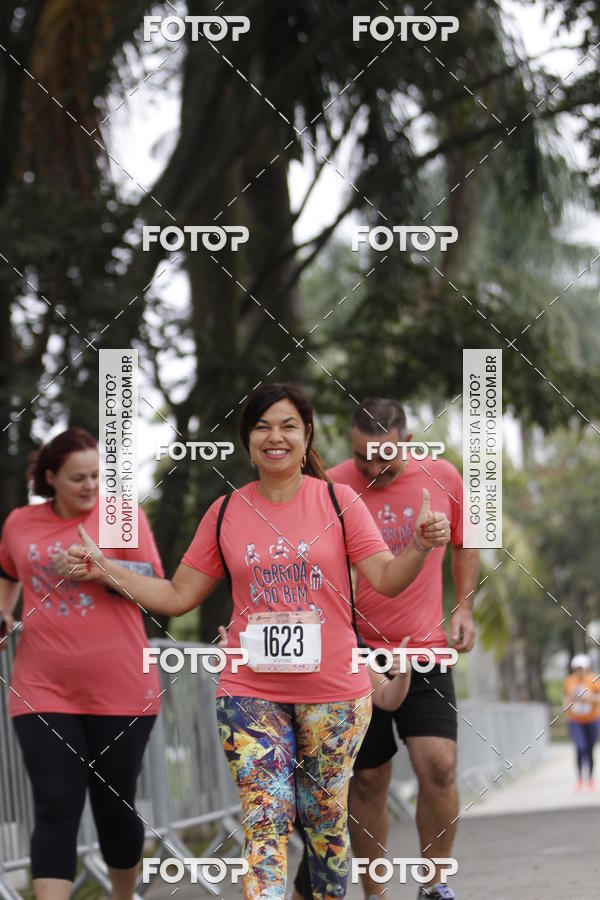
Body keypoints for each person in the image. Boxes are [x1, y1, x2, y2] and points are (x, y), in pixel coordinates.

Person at [63, 383, 451, 899]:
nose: (276, 437)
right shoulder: (225, 512)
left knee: (324, 825)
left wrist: (421, 547)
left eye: (288, 425)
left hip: (334, 692)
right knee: (266, 818)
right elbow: (179, 595)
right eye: (263, 426)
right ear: (248, 441)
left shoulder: (339, 501)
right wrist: (106, 570)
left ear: (306, 435)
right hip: (250, 691)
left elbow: (385, 577)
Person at [293, 398, 479, 900]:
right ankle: (376, 894)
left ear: (408, 445)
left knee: (438, 766)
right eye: (362, 458)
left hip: (425, 650)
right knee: (369, 782)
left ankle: (435, 884)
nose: (373, 469)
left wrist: (462, 607)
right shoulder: (330, 487)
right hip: (355, 656)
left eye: (385, 458)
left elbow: (466, 541)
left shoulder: (442, 476)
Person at [0, 427, 163, 900]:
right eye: (77, 478)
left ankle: (122, 895)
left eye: (97, 475)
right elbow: (7, 573)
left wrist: (101, 568)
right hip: (41, 688)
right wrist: (3, 613)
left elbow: (156, 583)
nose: (91, 486)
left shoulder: (121, 518)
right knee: (55, 804)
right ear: (50, 477)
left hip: (123, 689)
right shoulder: (19, 523)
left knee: (114, 808)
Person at [563, 653, 600, 791]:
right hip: (576, 721)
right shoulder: (570, 681)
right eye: (577, 668)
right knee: (580, 747)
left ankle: (590, 779)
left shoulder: (593, 680)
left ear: (586, 668)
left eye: (582, 668)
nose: (579, 671)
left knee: (590, 749)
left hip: (592, 720)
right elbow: (566, 699)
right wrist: (567, 709)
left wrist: (589, 698)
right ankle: (579, 780)